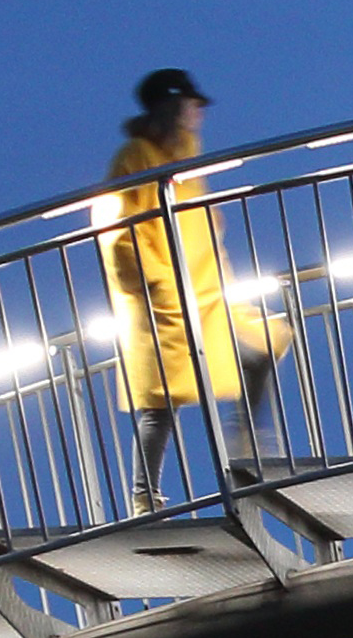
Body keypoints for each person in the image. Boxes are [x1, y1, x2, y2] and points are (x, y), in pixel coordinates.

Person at [96, 68, 286, 511]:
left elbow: (201, 224)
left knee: (261, 347)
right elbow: (120, 230)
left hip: (205, 292)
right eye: (191, 103)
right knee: (160, 403)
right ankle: (145, 495)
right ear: (171, 106)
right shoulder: (136, 156)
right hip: (162, 297)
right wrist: (157, 282)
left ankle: (247, 439)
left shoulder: (184, 154)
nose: (199, 111)